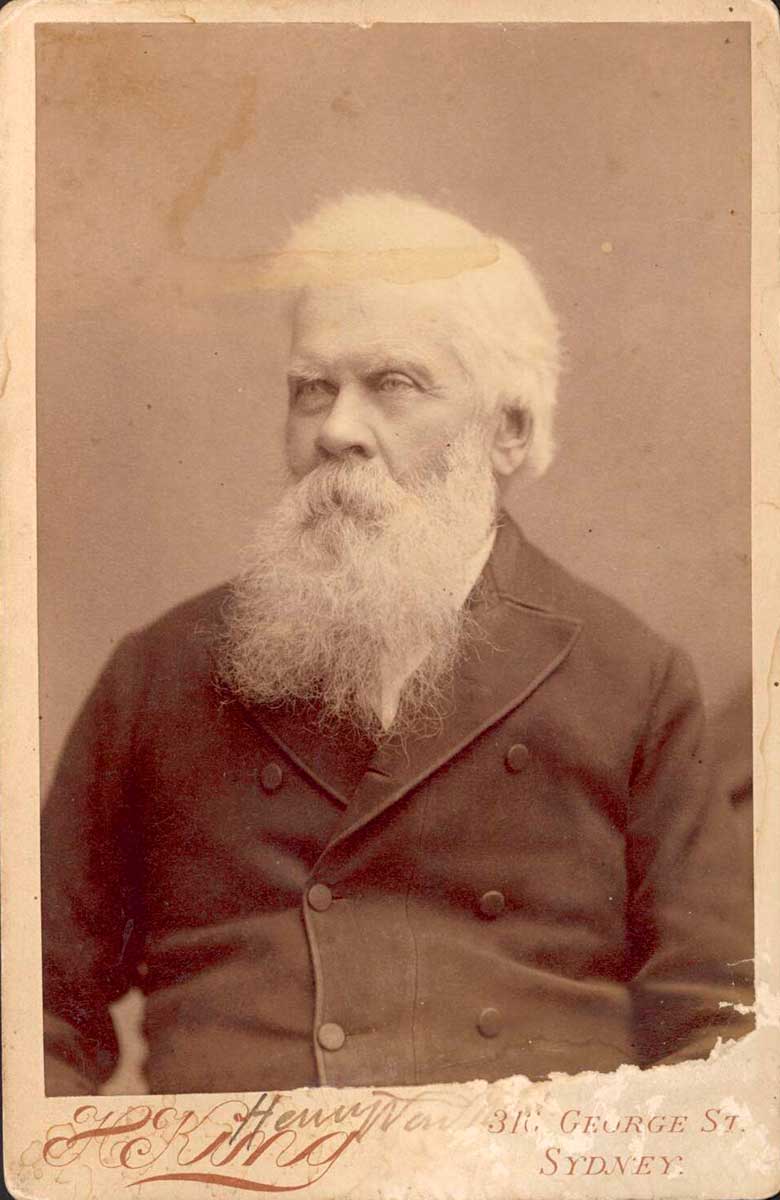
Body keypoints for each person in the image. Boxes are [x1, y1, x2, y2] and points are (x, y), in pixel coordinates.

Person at [41, 192, 753, 1096]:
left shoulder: (633, 682)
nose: (336, 429)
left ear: (509, 430)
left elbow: (717, 1028)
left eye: (393, 385)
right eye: (312, 389)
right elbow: (36, 1010)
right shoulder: (158, 675)